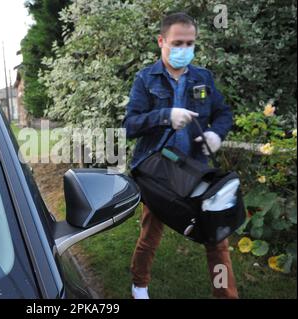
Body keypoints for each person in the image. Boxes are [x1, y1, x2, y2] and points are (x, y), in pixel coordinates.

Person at [122, 12, 238, 299]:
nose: (184, 50)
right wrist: (165, 115)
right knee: (151, 234)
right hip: (159, 171)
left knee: (217, 237)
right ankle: (139, 285)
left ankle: (226, 295)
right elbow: (130, 125)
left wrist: (216, 134)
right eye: (178, 43)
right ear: (161, 41)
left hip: (196, 169)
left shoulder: (203, 78)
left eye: (190, 43)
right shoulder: (145, 79)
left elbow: (223, 113)